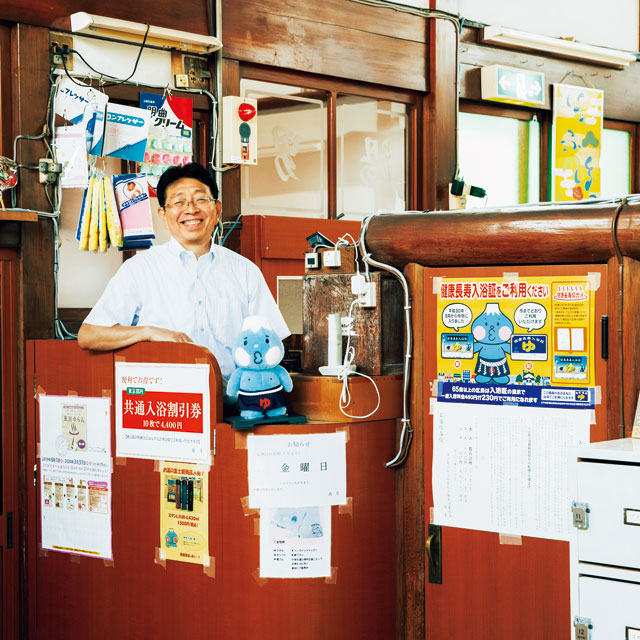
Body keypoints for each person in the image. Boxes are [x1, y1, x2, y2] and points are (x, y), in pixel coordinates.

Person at [77, 163, 290, 382]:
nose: (191, 209)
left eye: (200, 199)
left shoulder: (245, 271)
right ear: (163, 215)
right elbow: (89, 335)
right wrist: (148, 333)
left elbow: (272, 339)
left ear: (217, 210)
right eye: (179, 201)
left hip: (234, 404)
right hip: (166, 402)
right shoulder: (139, 270)